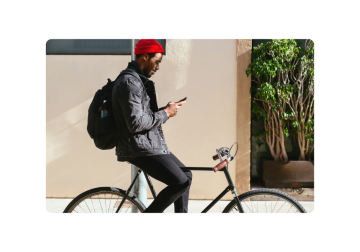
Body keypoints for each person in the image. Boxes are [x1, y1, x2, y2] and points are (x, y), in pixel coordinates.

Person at [112, 38, 192, 214]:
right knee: (180, 182)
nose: (158, 67)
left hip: (148, 145)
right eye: (157, 61)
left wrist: (166, 110)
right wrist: (166, 113)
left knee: (186, 175)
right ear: (146, 57)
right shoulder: (130, 82)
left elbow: (143, 116)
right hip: (138, 147)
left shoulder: (137, 81)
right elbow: (136, 123)